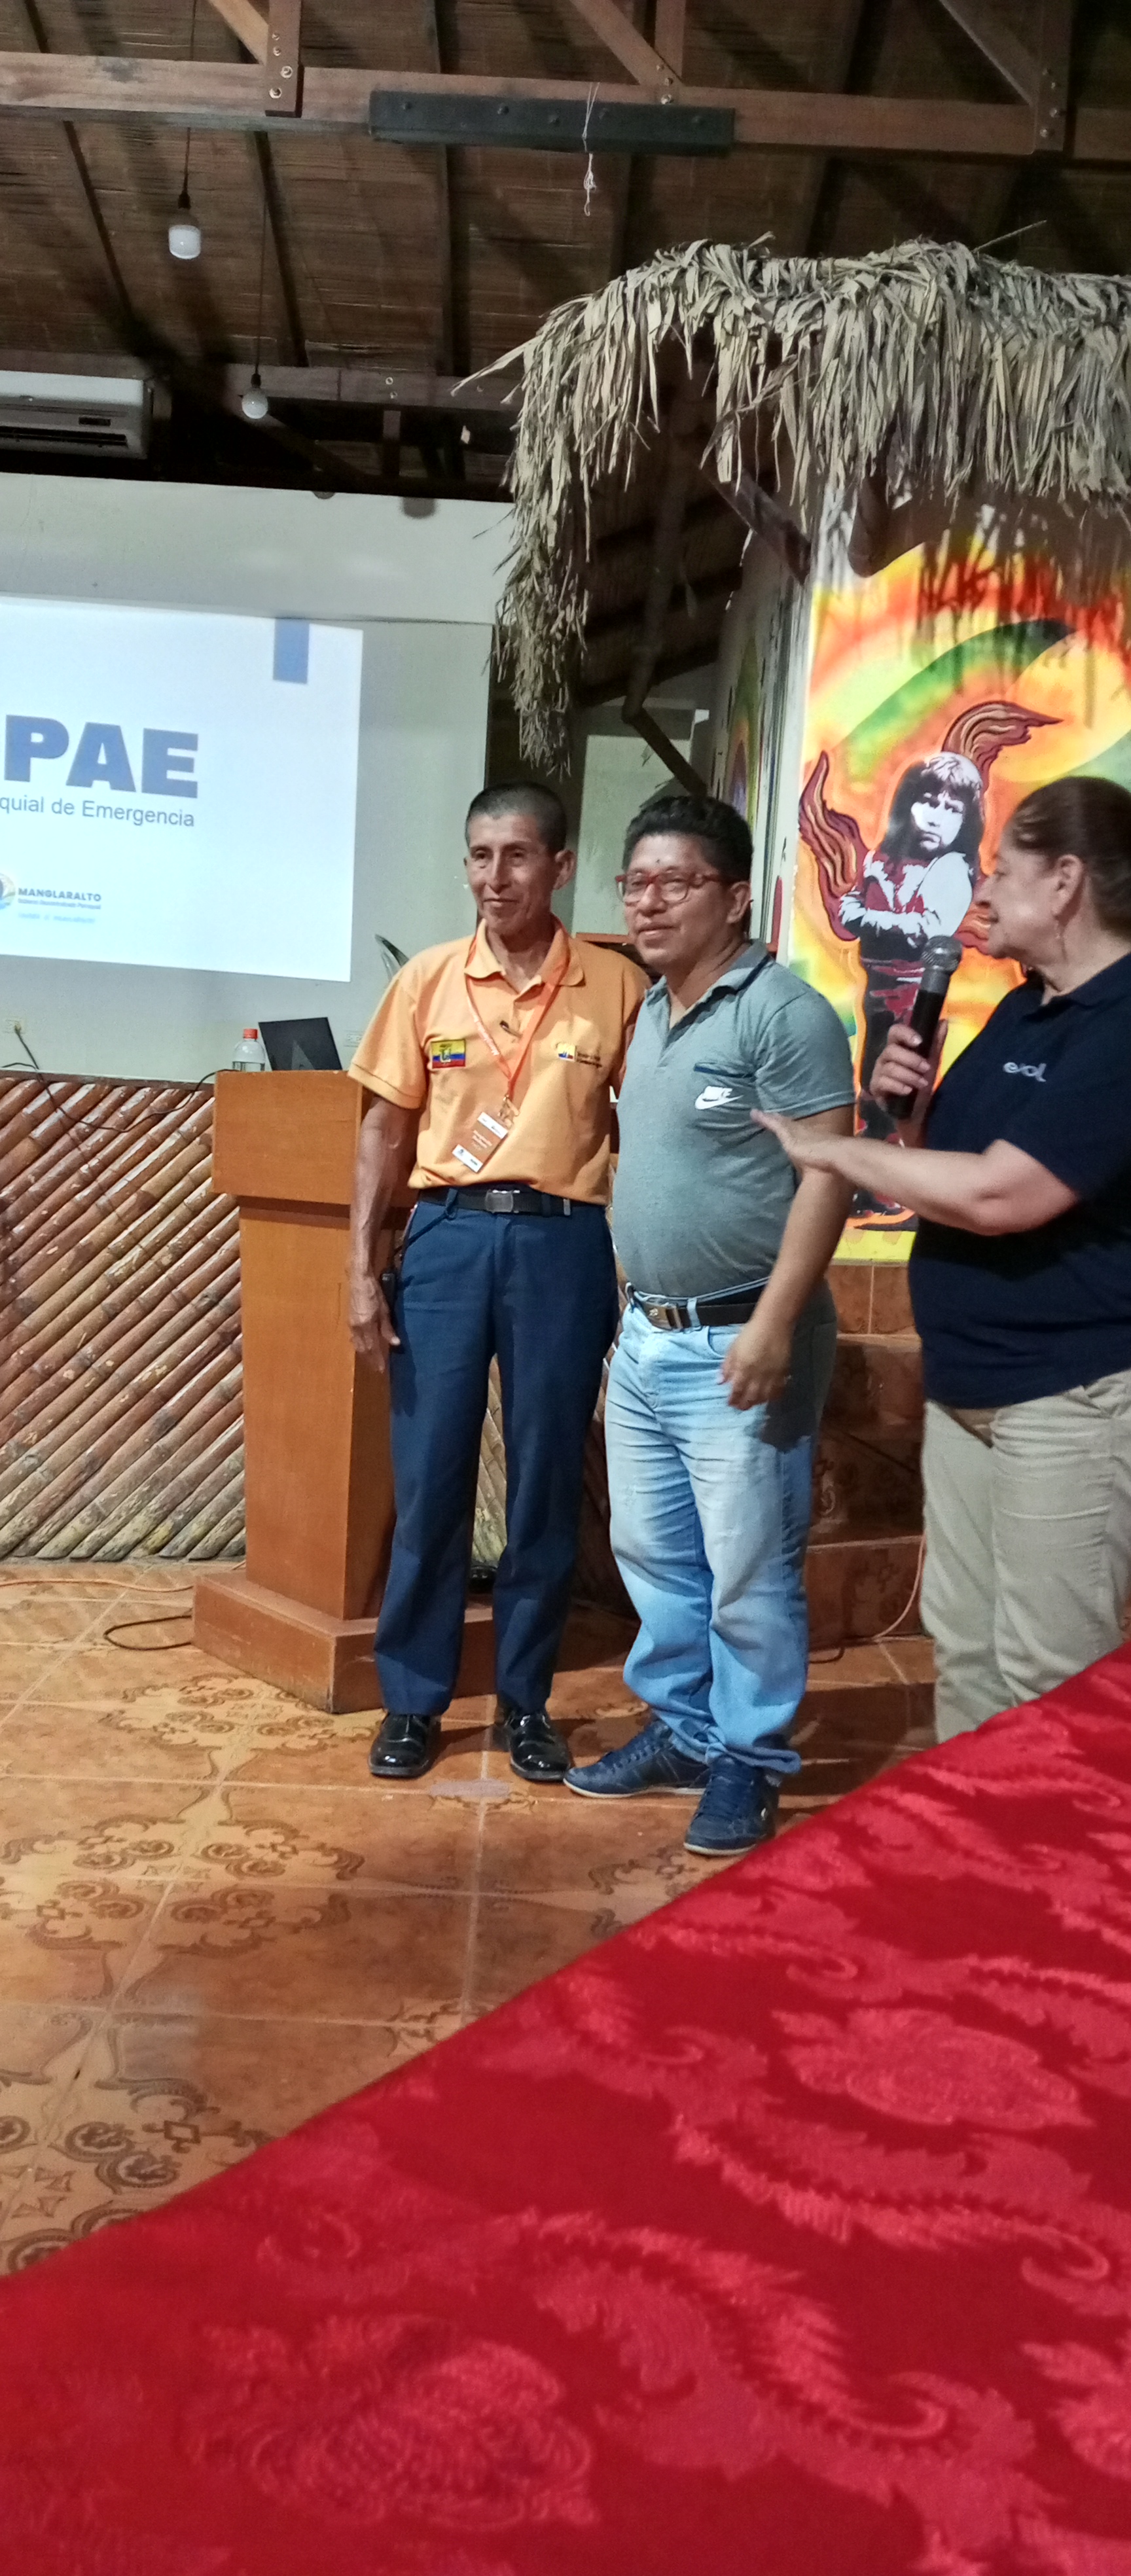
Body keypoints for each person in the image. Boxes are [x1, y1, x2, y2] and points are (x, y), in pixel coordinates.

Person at [756, 774, 1131, 1742]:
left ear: (1066, 882)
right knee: (964, 1649)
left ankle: (1052, 1843)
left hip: (1070, 1396)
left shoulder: (1121, 1023)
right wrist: (913, 1115)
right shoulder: (1025, 1009)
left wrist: (835, 1150)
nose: (983, 890)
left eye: (1001, 870)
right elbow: (952, 1167)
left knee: (1050, 1674)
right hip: (968, 1383)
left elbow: (1004, 1197)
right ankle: (974, 1832)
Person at [564, 791, 855, 1857]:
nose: (648, 902)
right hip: (649, 1337)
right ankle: (686, 1731)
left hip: (743, 1336)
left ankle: (751, 1757)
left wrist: (775, 1323)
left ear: (734, 898)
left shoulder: (783, 1013)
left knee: (748, 1567)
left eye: (674, 882)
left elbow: (828, 1174)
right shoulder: (652, 1010)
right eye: (635, 883)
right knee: (654, 1557)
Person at [348, 783, 646, 1782]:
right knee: (430, 1478)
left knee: (546, 1481)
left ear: (560, 866)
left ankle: (526, 1700)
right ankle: (412, 1701)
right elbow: (384, 1133)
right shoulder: (428, 981)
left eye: (516, 856)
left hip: (563, 1247)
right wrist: (360, 1270)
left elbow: (645, 1129)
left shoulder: (614, 986)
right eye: (480, 856)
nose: (494, 876)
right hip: (446, 1238)